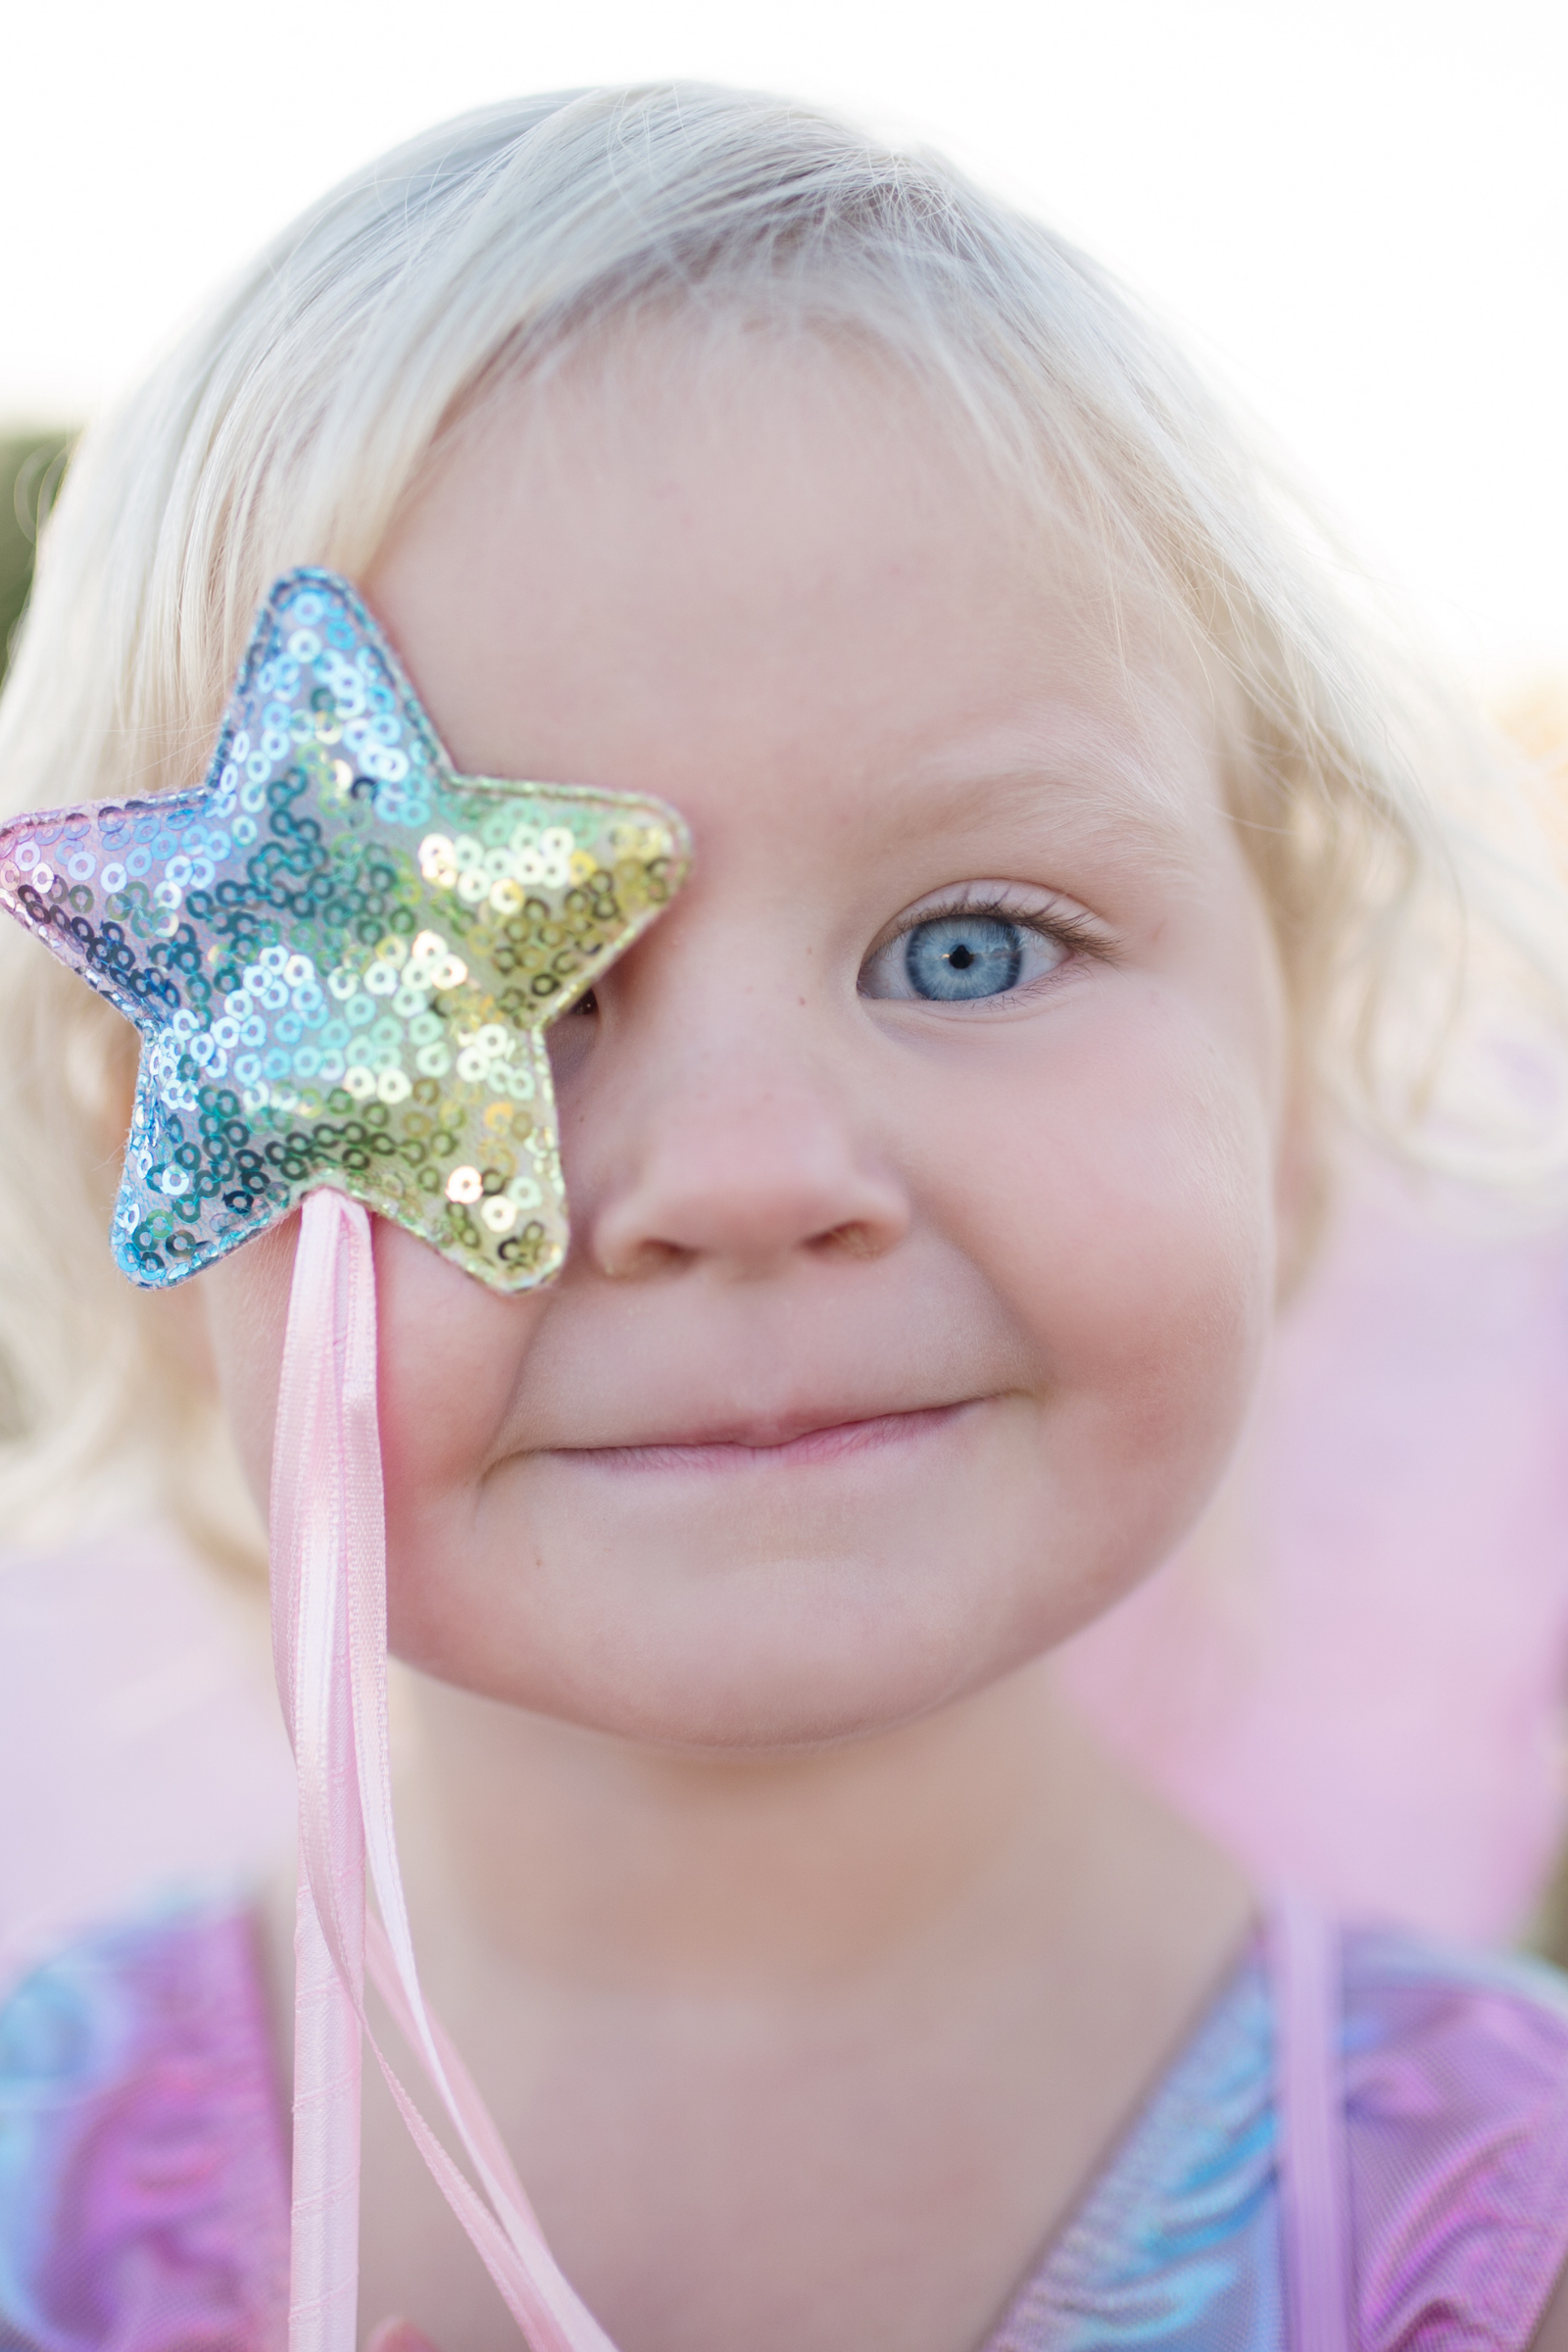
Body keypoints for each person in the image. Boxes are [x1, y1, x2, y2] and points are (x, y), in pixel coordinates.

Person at [3, 81, 1568, 2352]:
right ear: (165, 1222)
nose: (745, 1179)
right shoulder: (47, 2220)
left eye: (971, 946)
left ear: (1288, 1097)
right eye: (505, 1000)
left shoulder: (1491, 2243)